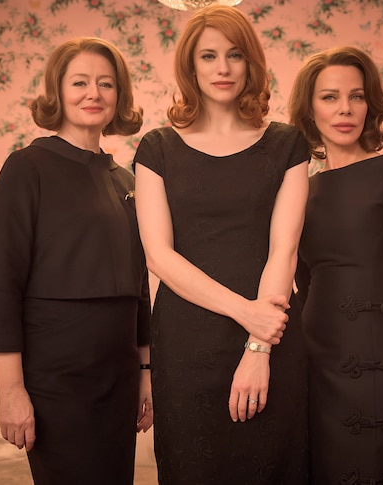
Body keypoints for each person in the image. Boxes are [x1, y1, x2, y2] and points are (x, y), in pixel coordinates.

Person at [133, 5, 310, 484]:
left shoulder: (287, 144)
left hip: (271, 334)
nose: (223, 68)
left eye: (235, 55)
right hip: (186, 341)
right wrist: (245, 311)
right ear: (190, 67)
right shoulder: (156, 148)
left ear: (251, 62)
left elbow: (284, 251)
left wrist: (258, 344)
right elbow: (159, 256)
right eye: (208, 56)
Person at [0, 37, 152, 485]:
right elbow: (0, 284)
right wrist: (11, 390)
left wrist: (146, 372)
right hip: (56, 374)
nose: (93, 94)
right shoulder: (26, 168)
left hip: (118, 373)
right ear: (57, 92)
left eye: (106, 84)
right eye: (80, 82)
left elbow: (139, 287)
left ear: (120, 96)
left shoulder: (126, 180)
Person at [289, 46, 383, 485]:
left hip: (378, 362)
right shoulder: (301, 191)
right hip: (316, 365)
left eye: (356, 96)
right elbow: (304, 286)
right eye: (330, 97)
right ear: (309, 108)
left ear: (369, 105)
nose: (345, 109)